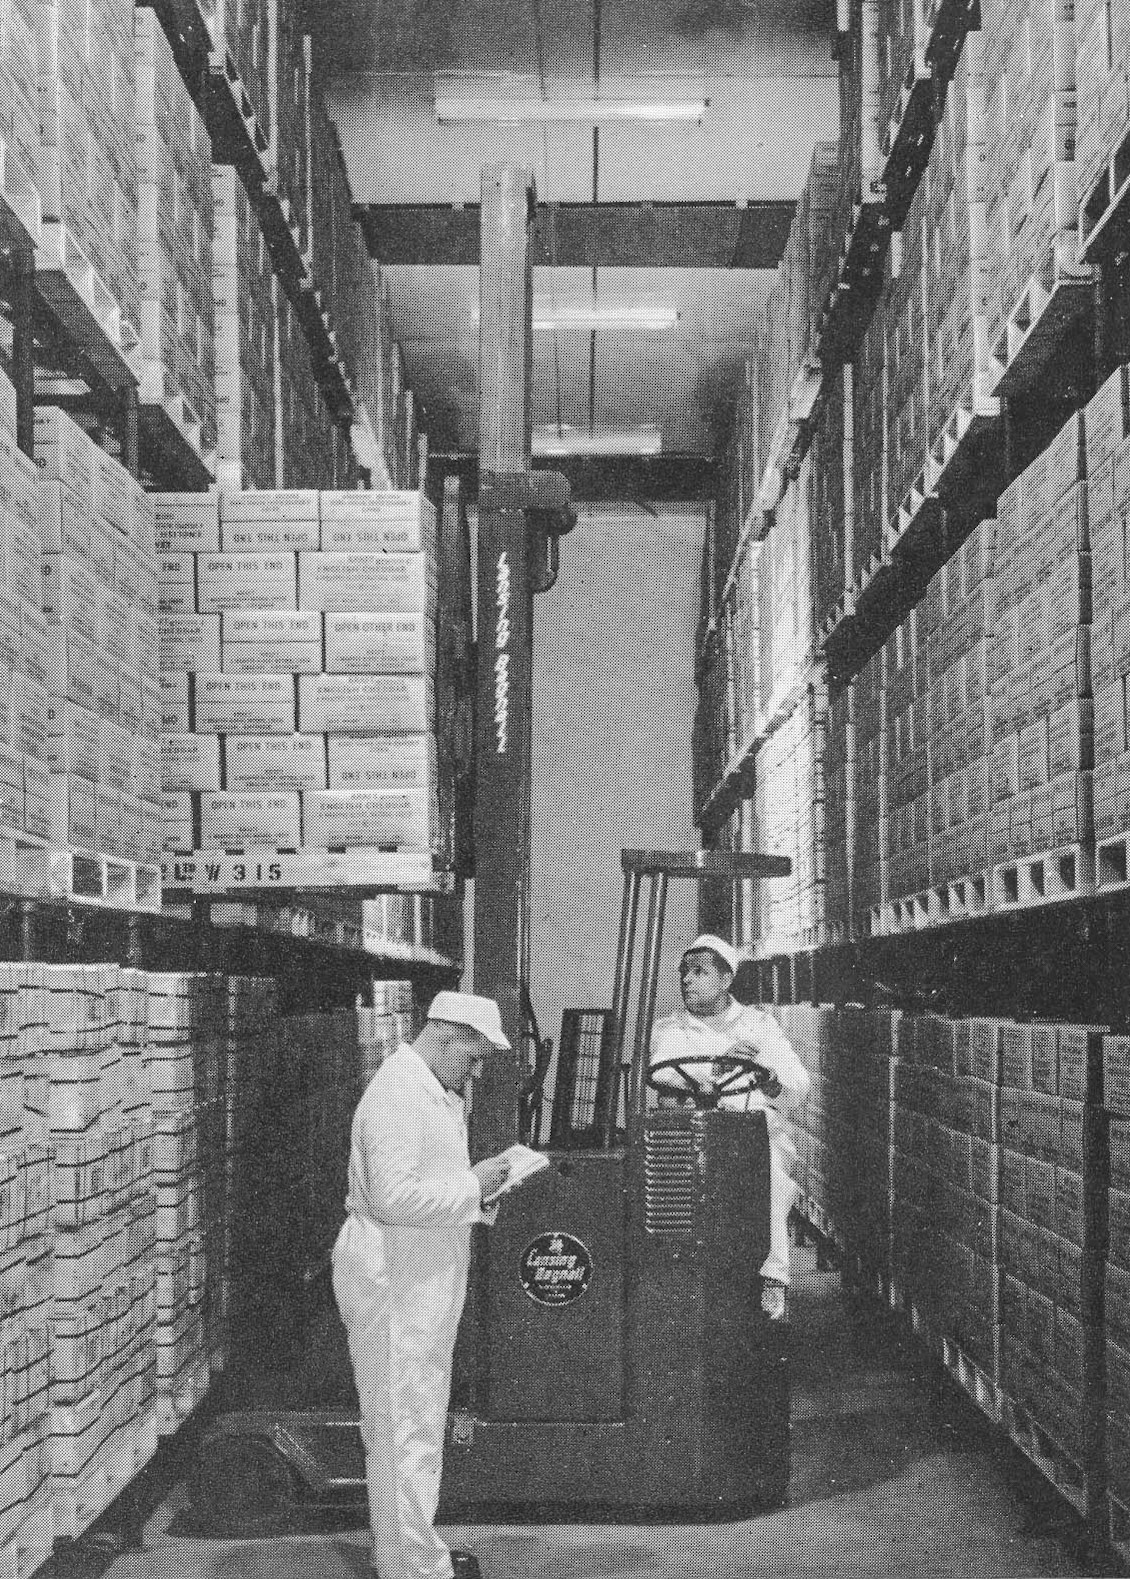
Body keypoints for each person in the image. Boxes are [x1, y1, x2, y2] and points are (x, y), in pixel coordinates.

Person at [332, 991, 516, 1579]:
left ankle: (415, 1556)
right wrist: (473, 1185)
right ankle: (414, 1570)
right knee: (401, 1429)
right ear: (448, 1035)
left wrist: (479, 1194)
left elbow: (430, 1184)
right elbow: (393, 1197)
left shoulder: (435, 1092)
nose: (478, 1070)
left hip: (421, 1278)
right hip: (393, 1281)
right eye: (477, 1056)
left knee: (416, 1425)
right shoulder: (396, 1094)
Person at [649, 934, 811, 1320]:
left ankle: (772, 1278)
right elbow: (664, 1074)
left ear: (725, 980)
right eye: (684, 972)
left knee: (771, 1173)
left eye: (698, 972)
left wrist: (770, 1079)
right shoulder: (669, 1028)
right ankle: (671, 1277)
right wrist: (716, 1069)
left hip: (750, 1130)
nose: (687, 980)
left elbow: (798, 1085)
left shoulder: (759, 1026)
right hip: (690, 1131)